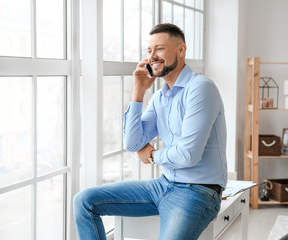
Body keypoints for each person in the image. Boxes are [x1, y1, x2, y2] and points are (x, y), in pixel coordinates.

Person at [74, 23, 227, 240]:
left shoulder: (201, 88)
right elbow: (133, 143)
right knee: (84, 201)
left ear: (181, 50)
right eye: (149, 50)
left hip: (198, 192)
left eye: (160, 49)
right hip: (163, 185)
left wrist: (153, 156)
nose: (152, 56)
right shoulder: (160, 97)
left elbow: (188, 155)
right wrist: (138, 91)